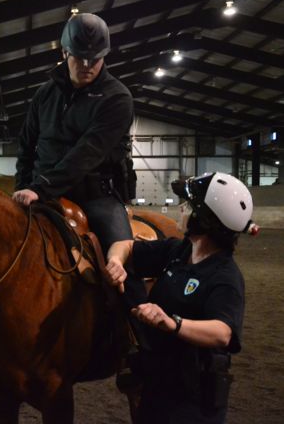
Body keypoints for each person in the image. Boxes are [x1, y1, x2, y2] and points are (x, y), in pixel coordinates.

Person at [11, 13, 147, 328]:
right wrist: (22, 188)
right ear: (64, 53)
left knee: (122, 263)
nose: (87, 64)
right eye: (80, 57)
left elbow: (87, 154)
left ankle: (139, 339)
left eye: (95, 58)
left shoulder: (117, 98)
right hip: (39, 193)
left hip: (96, 197)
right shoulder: (45, 94)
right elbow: (26, 146)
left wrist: (40, 188)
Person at [105, 172, 255, 423]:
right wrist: (115, 261)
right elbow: (126, 246)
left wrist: (173, 323)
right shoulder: (178, 250)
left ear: (205, 220)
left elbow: (222, 332)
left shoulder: (225, 276)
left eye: (188, 206)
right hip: (158, 388)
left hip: (193, 401)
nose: (181, 210)